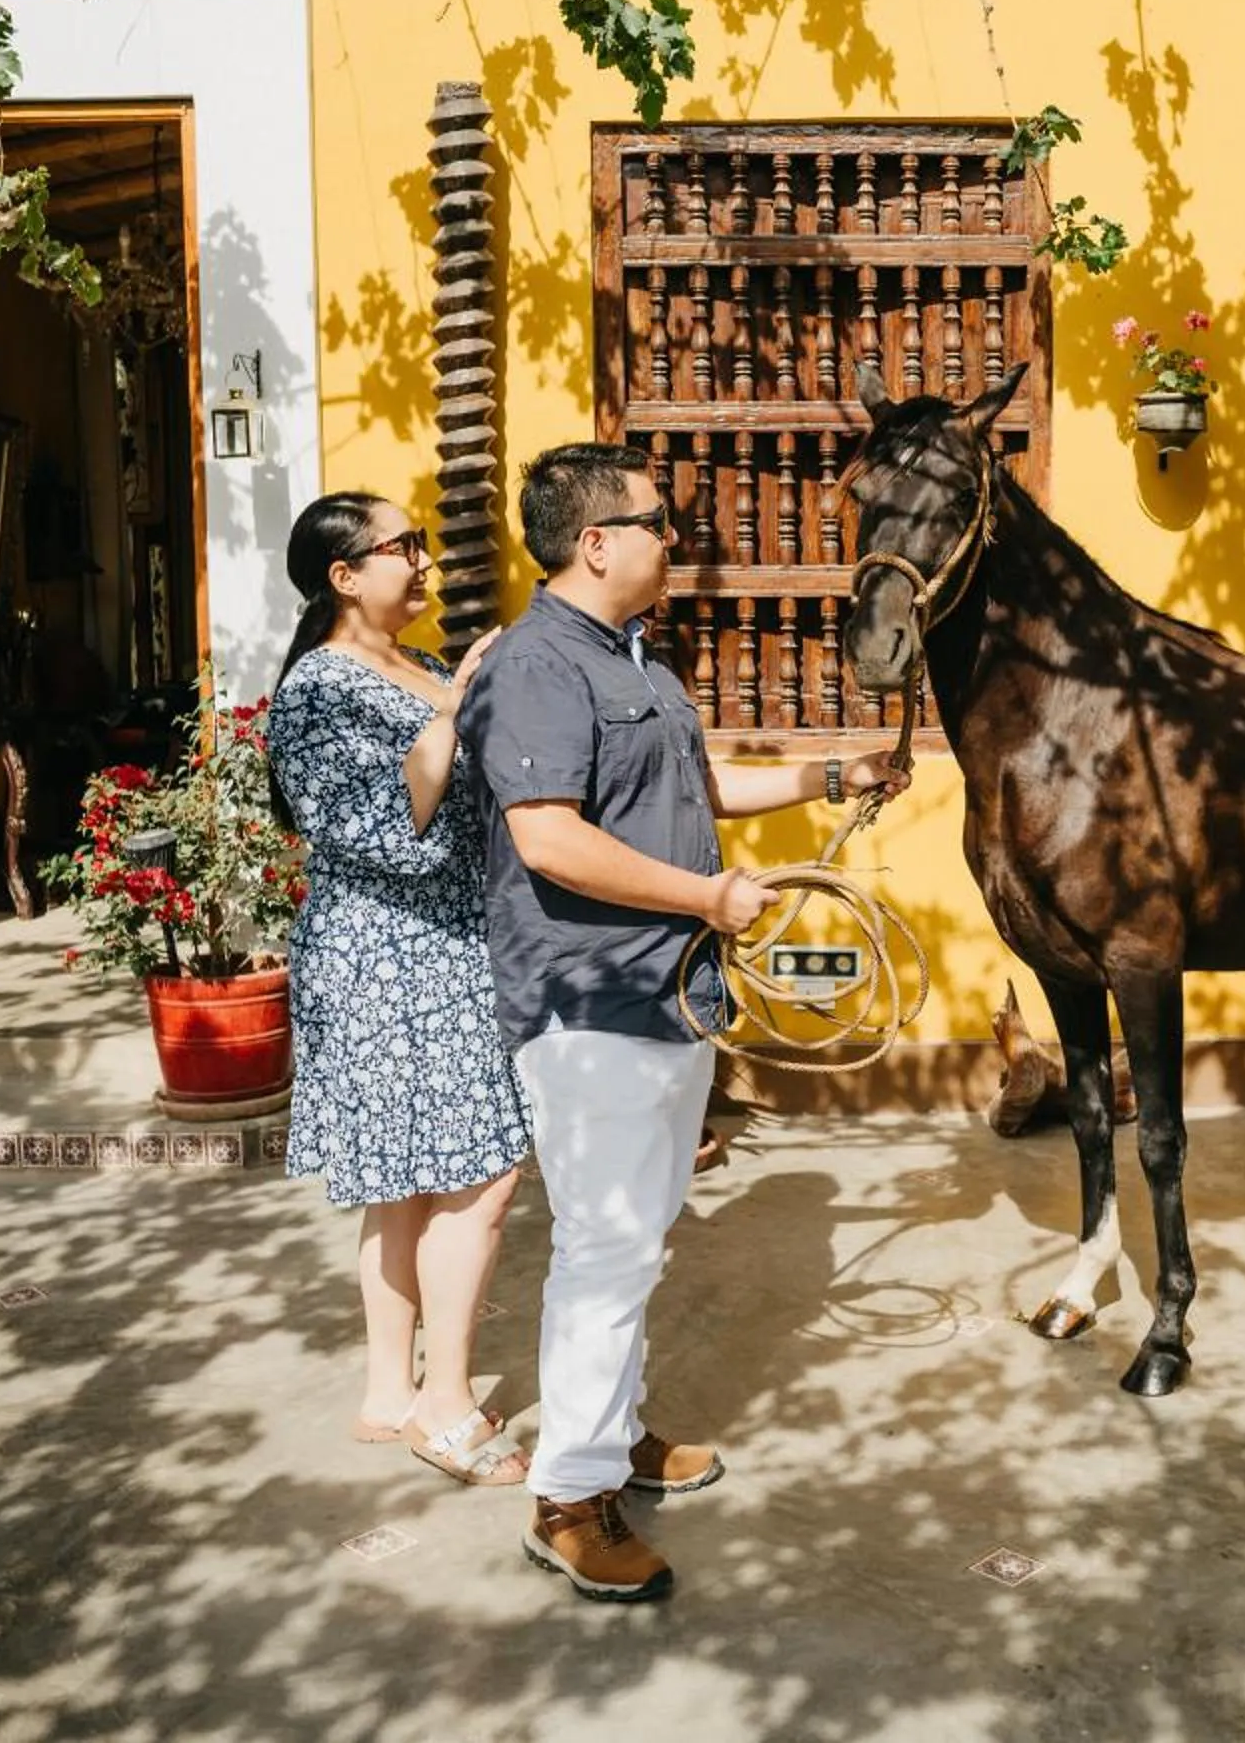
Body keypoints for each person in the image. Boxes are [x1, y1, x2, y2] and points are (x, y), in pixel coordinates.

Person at [459, 442, 908, 1602]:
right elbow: (548, 838)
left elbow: (698, 784)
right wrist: (711, 898)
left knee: (638, 1240)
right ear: (595, 541)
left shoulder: (634, 661)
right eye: (660, 524)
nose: (678, 542)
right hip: (591, 995)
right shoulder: (537, 665)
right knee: (607, 1245)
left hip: (668, 995)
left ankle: (611, 1436)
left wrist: (827, 775)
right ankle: (568, 1500)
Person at [264, 491, 533, 1487]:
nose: (422, 562)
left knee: (411, 1180)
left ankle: (390, 1392)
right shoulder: (316, 691)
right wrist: (456, 712)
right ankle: (446, 1405)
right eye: (402, 546)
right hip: (387, 953)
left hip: (446, 946)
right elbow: (371, 831)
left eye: (420, 542)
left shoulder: (415, 666)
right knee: (484, 1171)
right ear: (345, 575)